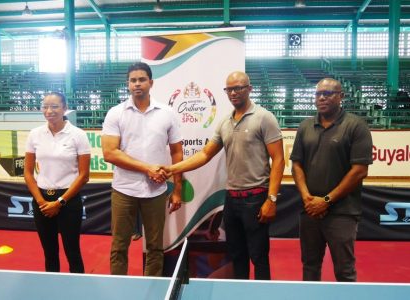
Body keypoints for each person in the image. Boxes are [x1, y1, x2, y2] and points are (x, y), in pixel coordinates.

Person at [164, 71, 285, 280]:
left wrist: (271, 199)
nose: (234, 92)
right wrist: (172, 169)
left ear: (249, 89)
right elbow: (204, 155)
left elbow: (279, 160)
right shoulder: (224, 123)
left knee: (259, 257)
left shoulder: (264, 118)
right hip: (232, 199)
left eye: (239, 87)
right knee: (237, 255)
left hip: (256, 198)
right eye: (230, 89)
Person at [101, 62, 183, 276]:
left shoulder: (168, 113)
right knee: (119, 246)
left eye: (141, 79)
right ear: (128, 84)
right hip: (123, 190)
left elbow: (177, 153)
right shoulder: (115, 113)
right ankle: (120, 289)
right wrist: (148, 169)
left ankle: (152, 288)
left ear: (151, 83)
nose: (137, 84)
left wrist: (177, 189)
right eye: (133, 80)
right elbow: (109, 153)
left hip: (156, 191)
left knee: (155, 246)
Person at [290, 78, 373, 282]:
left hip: (342, 213)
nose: (322, 98)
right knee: (310, 267)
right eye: (318, 94)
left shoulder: (356, 126)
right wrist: (307, 198)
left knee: (344, 271)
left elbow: (359, 171)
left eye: (328, 93)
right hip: (310, 211)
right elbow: (296, 165)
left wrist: (326, 200)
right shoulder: (305, 126)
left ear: (341, 96)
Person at [24, 92, 91, 273]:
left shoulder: (78, 135)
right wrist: (40, 202)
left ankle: (78, 290)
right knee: (50, 253)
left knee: (72, 251)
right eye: (45, 106)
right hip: (42, 201)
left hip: (68, 200)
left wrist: (60, 202)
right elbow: (28, 173)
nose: (49, 111)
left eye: (54, 106)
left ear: (65, 108)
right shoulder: (35, 134)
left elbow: (84, 175)